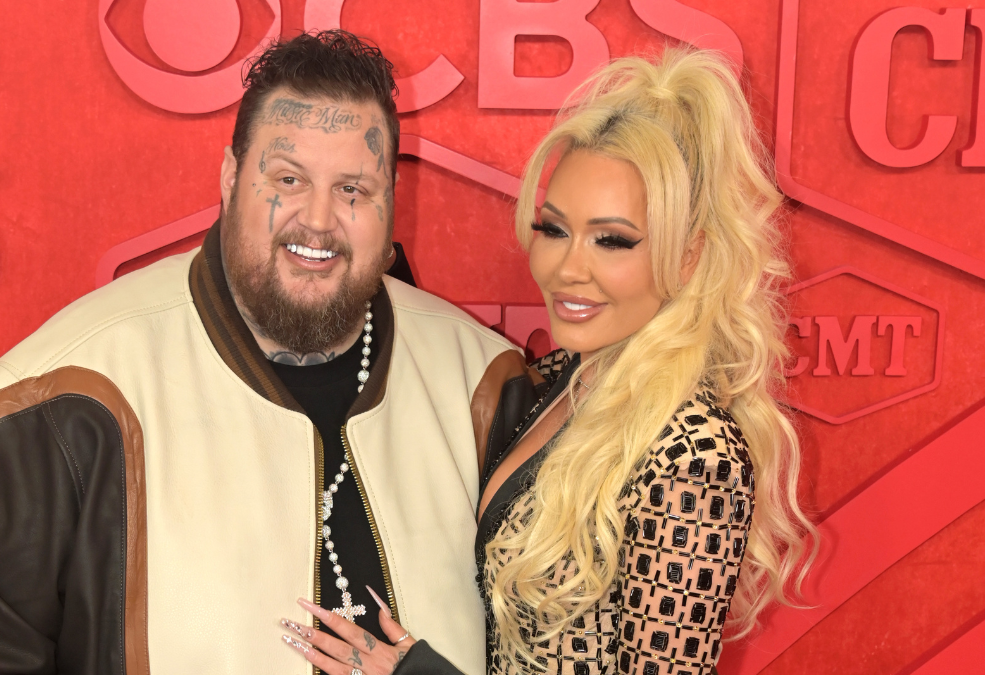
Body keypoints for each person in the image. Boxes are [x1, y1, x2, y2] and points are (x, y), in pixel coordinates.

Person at [0, 31, 530, 675]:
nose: (318, 219)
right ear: (229, 178)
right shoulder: (65, 396)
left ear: (391, 198)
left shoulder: (483, 384)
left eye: (353, 190)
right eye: (288, 179)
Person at [285, 48, 816, 675]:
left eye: (612, 240)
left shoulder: (694, 452)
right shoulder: (564, 377)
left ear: (688, 256)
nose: (569, 269)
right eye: (555, 230)